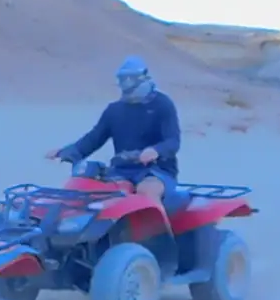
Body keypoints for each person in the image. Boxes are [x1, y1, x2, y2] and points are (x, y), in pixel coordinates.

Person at [45, 55, 182, 201]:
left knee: (146, 192)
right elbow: (93, 139)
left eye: (131, 79)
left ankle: (158, 224)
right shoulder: (114, 110)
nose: (127, 84)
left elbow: (173, 141)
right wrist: (67, 152)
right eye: (124, 79)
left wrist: (156, 150)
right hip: (122, 170)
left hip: (157, 171)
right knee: (112, 195)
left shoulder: (162, 104)